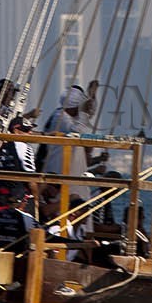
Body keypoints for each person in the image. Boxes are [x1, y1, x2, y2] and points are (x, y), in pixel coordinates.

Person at [42, 85, 107, 230]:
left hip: (73, 176)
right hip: (62, 176)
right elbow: (78, 130)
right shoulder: (60, 117)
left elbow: (88, 113)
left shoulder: (68, 117)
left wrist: (92, 96)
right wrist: (85, 109)